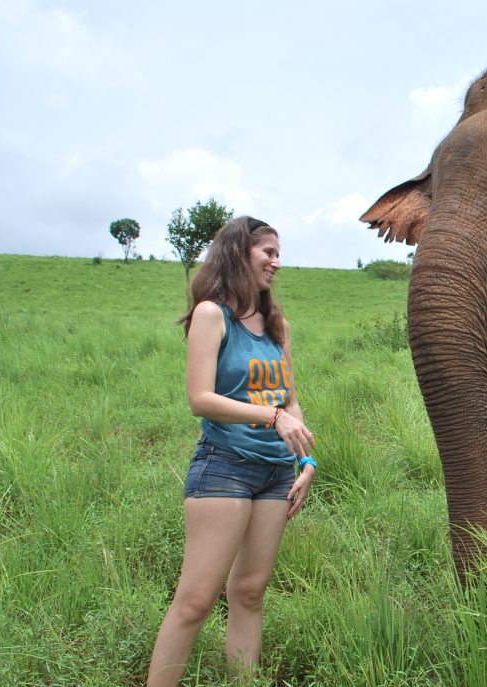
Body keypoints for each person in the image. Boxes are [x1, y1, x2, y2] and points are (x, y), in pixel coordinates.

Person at [147, 216, 318, 686]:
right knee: (197, 599)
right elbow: (200, 399)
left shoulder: (277, 326)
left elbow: (290, 400)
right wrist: (271, 417)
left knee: (249, 592)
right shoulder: (211, 315)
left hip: (277, 473)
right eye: (268, 252)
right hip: (225, 468)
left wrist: (306, 461)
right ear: (240, 253)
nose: (276, 263)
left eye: (279, 254)